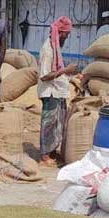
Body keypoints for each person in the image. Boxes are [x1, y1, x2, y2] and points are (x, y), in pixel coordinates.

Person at [38, 17, 81, 167]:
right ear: (60, 33)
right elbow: (44, 76)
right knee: (49, 124)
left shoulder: (55, 48)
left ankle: (51, 151)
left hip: (58, 92)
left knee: (57, 125)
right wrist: (66, 70)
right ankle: (44, 155)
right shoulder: (48, 50)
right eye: (66, 35)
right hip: (50, 93)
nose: (67, 38)